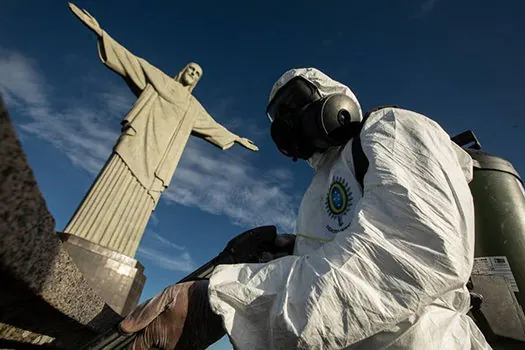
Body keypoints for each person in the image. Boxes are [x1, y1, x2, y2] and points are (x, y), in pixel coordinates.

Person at [119, 68, 492, 349]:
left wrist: (222, 299)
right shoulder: (320, 186)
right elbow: (333, 269)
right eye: (278, 116)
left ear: (338, 104)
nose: (286, 123)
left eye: (294, 104)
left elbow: (412, 252)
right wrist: (286, 255)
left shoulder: (391, 127)